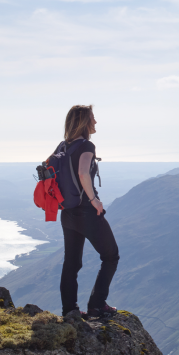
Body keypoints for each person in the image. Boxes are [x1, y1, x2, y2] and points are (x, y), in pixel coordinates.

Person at [54, 104, 120, 320]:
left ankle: (69, 311)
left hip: (67, 213)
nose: (95, 122)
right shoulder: (86, 146)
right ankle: (96, 306)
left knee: (71, 263)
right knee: (110, 256)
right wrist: (94, 201)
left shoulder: (62, 147)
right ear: (84, 121)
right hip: (86, 212)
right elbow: (83, 173)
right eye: (92, 118)